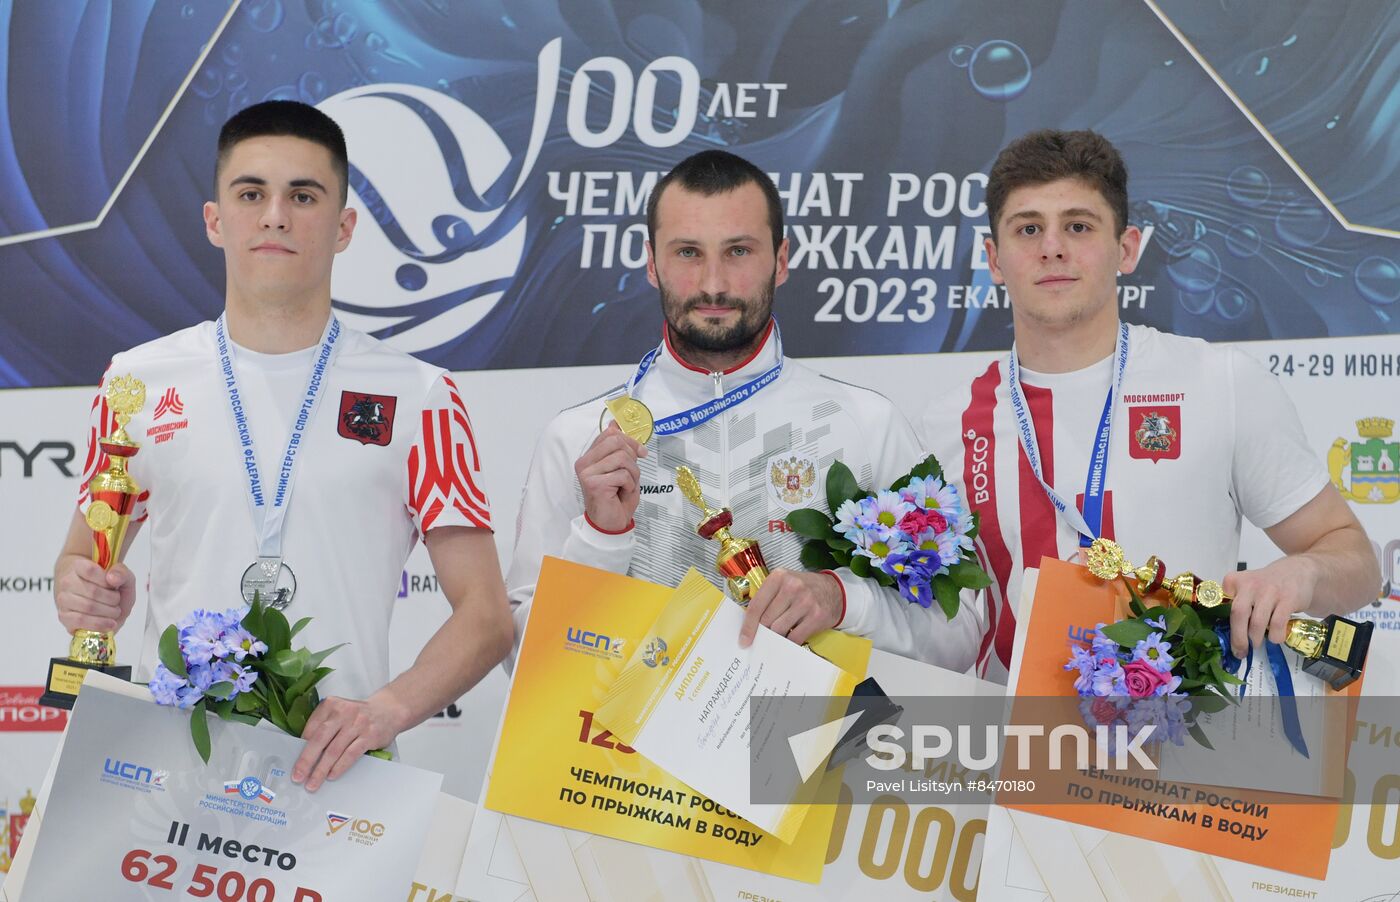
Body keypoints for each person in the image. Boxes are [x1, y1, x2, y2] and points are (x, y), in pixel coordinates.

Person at [52, 100, 513, 788]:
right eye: (251, 193)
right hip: (165, 773)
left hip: (334, 775)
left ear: (345, 226)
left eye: (303, 195)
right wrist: (80, 592)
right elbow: (78, 561)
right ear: (215, 220)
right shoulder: (137, 383)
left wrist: (387, 709)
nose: (275, 215)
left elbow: (487, 615)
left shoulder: (420, 396)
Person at [919, 129, 1379, 683]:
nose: (1053, 247)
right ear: (994, 258)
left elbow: (1357, 564)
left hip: (1186, 748)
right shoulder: (945, 424)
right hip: (1012, 752)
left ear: (1128, 248)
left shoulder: (1220, 383)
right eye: (1029, 228)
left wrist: (1302, 573)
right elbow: (938, 622)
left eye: (1079, 226)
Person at [506, 149, 981, 668]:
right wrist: (601, 540)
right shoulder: (579, 440)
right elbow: (524, 662)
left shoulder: (866, 423)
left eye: (738, 251)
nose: (713, 283)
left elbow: (957, 641)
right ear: (651, 262)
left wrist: (844, 600)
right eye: (688, 252)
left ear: (780, 261)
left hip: (821, 748)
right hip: (623, 749)